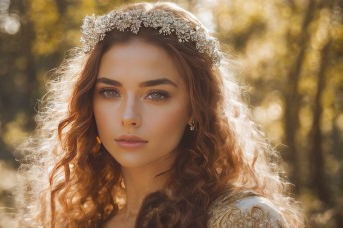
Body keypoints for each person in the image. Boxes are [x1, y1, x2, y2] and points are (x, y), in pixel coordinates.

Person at [16, 2, 303, 227]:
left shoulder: (242, 219)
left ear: (196, 107)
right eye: (109, 92)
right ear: (87, 103)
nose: (128, 116)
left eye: (156, 95)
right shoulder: (82, 221)